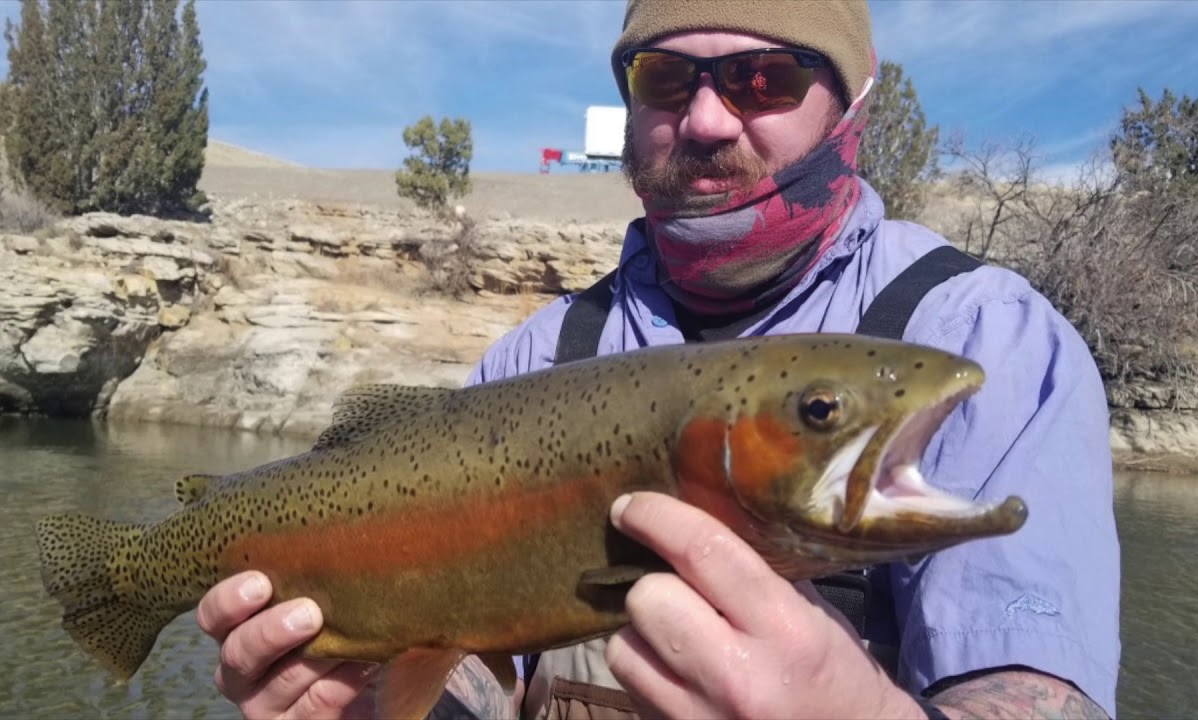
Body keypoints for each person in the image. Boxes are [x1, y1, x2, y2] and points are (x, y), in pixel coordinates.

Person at [195, 1, 1122, 718]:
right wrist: (374, 700)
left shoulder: (984, 340)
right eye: (667, 78)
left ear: (852, 111)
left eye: (767, 78)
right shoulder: (542, 353)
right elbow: (477, 666)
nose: (711, 118)